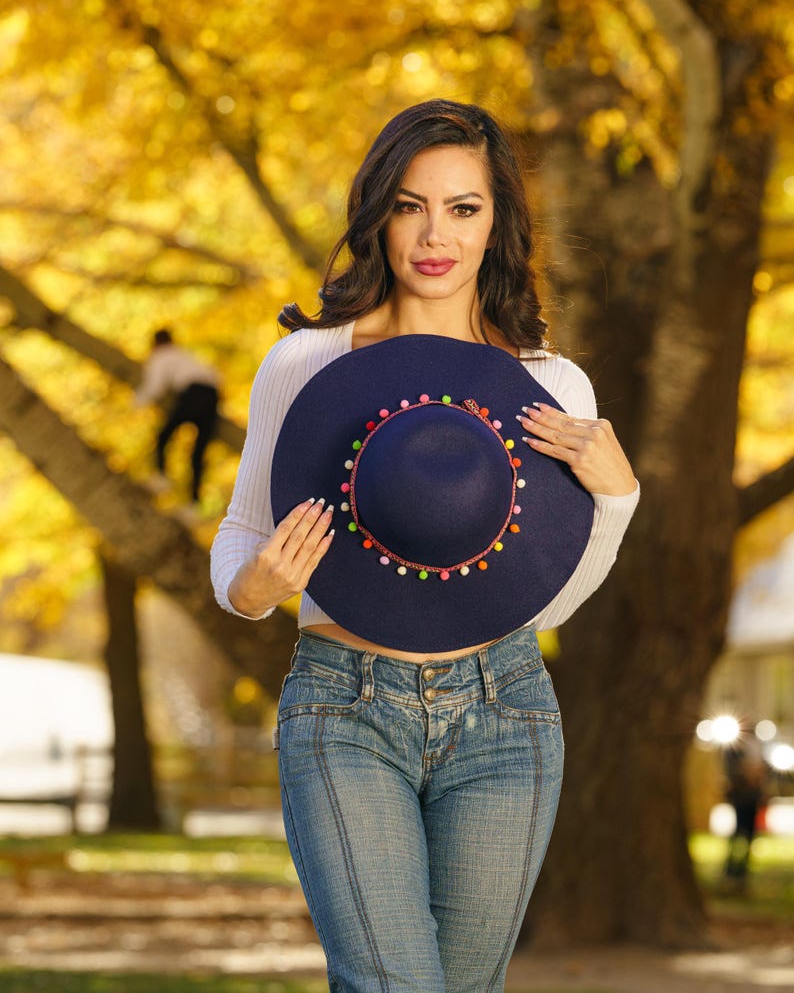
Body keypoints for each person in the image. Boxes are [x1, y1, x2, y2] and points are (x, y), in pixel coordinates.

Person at [211, 99, 639, 992]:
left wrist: (618, 496)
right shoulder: (305, 364)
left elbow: (546, 598)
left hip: (507, 712)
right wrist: (256, 585)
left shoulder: (549, 381)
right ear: (378, 216)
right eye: (410, 205)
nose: (435, 234)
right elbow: (241, 542)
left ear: (498, 223)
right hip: (342, 708)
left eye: (463, 207)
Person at [136, 329, 220, 504]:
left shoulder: (161, 356)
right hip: (212, 396)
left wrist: (136, 402)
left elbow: (155, 387)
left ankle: (161, 476)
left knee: (164, 435)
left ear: (155, 344)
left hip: (193, 394)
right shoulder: (185, 354)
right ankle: (194, 502)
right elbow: (215, 375)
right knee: (198, 452)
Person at [723, 735, 767, 888]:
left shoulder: (757, 744)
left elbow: (764, 770)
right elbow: (731, 771)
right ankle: (730, 870)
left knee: (750, 834)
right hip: (741, 796)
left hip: (753, 796)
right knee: (738, 833)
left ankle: (742, 872)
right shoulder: (734, 747)